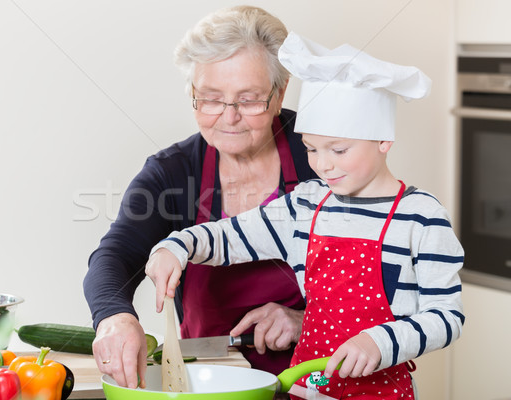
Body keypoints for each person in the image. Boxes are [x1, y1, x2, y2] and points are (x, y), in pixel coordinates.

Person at [145, 32, 464, 399]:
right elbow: (228, 237)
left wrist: (380, 342)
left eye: (339, 150)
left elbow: (446, 316)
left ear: (383, 141)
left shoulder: (420, 217)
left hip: (381, 390)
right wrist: (177, 246)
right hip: (310, 386)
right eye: (311, 149)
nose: (324, 165)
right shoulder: (305, 205)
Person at [83, 6, 317, 389]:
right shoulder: (172, 173)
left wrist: (305, 320)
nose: (229, 117)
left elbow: (384, 283)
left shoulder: (323, 159)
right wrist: (116, 317)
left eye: (249, 99)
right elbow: (115, 256)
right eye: (210, 98)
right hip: (209, 383)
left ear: (279, 93)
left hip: (315, 377)